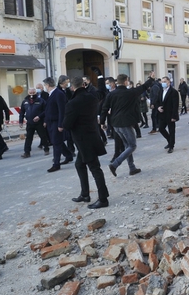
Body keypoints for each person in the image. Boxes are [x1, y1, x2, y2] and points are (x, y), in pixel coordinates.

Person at [63, 76, 110, 209]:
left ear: (73, 87)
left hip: (84, 140)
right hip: (92, 136)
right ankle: (85, 194)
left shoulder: (73, 103)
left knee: (95, 169)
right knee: (79, 165)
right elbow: (101, 92)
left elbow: (67, 124)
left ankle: (103, 199)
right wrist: (100, 76)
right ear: (84, 84)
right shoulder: (91, 97)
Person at [100, 72, 156, 176]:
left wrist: (102, 122)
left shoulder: (111, 94)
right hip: (125, 123)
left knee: (127, 146)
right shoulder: (130, 92)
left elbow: (104, 108)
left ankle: (132, 168)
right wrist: (151, 79)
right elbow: (144, 87)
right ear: (126, 81)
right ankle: (115, 164)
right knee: (132, 145)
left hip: (115, 124)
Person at [42, 77, 71, 172]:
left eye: (45, 85)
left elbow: (62, 110)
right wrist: (45, 120)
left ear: (47, 85)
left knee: (56, 143)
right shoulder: (51, 94)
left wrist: (61, 124)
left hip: (56, 122)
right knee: (57, 141)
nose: (45, 87)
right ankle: (68, 155)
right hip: (50, 122)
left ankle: (56, 164)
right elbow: (48, 109)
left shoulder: (58, 94)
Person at [19, 88, 49, 158]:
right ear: (28, 93)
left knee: (43, 136)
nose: (32, 94)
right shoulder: (25, 101)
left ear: (35, 93)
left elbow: (46, 111)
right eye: (30, 93)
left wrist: (41, 118)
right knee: (28, 138)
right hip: (30, 122)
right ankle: (27, 152)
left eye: (33, 93)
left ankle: (46, 148)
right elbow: (22, 112)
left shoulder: (41, 101)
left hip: (39, 122)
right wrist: (20, 121)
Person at [155, 76, 180, 153]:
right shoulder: (160, 91)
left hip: (170, 114)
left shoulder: (174, 92)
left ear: (169, 82)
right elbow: (157, 101)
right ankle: (170, 141)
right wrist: (158, 107)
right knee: (161, 128)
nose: (163, 83)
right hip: (162, 114)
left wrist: (174, 116)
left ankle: (171, 146)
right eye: (162, 82)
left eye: (165, 81)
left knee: (171, 130)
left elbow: (175, 105)